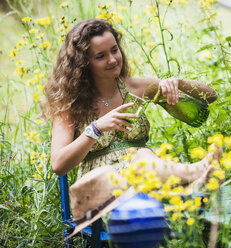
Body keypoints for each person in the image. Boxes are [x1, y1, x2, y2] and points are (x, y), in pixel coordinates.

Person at [43, 18, 219, 185]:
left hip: (148, 178)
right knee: (141, 158)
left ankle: (195, 182)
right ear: (84, 63)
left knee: (142, 156)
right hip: (100, 190)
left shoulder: (136, 87)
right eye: (100, 56)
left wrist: (179, 83)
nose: (112, 59)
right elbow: (58, 165)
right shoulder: (69, 103)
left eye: (114, 50)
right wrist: (96, 129)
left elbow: (211, 96)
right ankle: (196, 171)